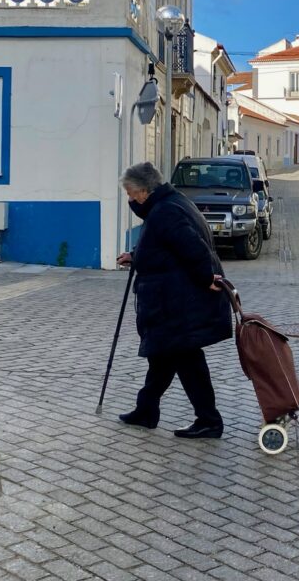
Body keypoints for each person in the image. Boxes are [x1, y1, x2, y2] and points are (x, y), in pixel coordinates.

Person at [116, 162, 232, 438]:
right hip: (175, 301)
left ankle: (209, 421)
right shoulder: (172, 203)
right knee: (162, 358)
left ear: (144, 191)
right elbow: (166, 245)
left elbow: (193, 248)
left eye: (132, 194)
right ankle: (146, 410)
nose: (131, 200)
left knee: (186, 360)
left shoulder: (165, 211)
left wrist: (207, 278)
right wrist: (137, 256)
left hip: (179, 303)